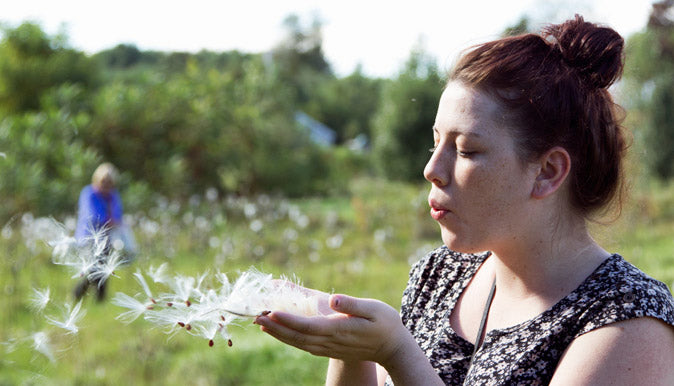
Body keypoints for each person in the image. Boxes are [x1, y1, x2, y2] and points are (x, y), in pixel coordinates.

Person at [254, 15, 674, 385]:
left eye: (467, 150)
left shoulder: (630, 322)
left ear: (547, 172)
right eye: (436, 142)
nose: (432, 169)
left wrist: (400, 355)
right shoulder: (440, 276)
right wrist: (350, 347)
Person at [74, 162, 135, 301]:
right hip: (89, 237)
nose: (106, 185)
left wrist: (113, 221)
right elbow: (91, 215)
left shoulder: (113, 195)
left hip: (108, 236)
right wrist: (110, 220)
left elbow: (118, 214)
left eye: (109, 182)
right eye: (104, 181)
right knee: (93, 268)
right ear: (97, 179)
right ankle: (78, 294)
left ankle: (100, 299)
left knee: (105, 267)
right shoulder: (88, 193)